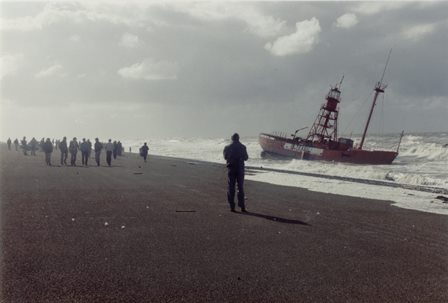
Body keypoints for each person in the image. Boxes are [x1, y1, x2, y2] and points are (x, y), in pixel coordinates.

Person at [223, 133, 249, 213]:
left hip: (231, 168)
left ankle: (232, 206)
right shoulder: (243, 147)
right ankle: (242, 207)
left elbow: (225, 157)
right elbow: (246, 158)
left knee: (231, 187)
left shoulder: (227, 147)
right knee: (240, 187)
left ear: (232, 139)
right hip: (240, 168)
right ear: (238, 138)